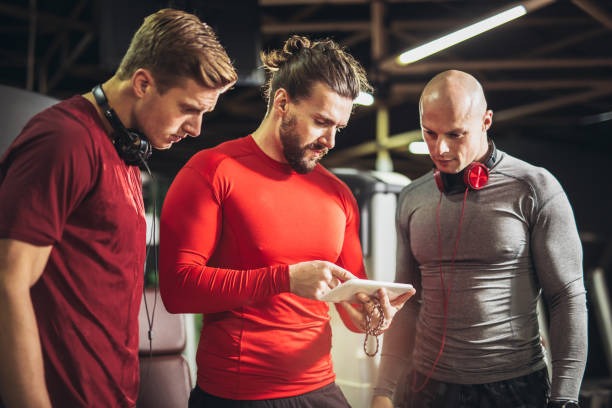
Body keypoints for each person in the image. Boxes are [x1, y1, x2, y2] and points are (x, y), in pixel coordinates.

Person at [159, 35, 415, 407]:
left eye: (338, 128)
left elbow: (351, 305)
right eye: (321, 121)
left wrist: (373, 312)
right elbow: (178, 289)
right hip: (237, 396)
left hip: (320, 389)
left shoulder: (338, 194)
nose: (329, 140)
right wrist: (286, 278)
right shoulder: (212, 171)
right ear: (283, 103)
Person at [0, 8, 236, 408]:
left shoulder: (122, 152)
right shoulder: (65, 140)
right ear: (143, 83)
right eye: (188, 109)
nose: (196, 129)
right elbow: (8, 282)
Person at [372, 70, 587, 408]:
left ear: (486, 121)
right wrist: (383, 390)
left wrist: (564, 399)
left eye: (456, 134)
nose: (440, 148)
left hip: (513, 388)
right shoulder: (413, 198)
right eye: (430, 133)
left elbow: (566, 298)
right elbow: (408, 303)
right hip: (426, 388)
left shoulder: (534, 188)